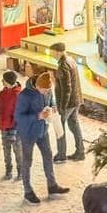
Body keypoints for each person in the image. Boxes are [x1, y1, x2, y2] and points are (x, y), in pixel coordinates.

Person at [15, 71, 69, 204]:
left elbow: (51, 100)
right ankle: (28, 191)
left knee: (48, 156)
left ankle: (52, 186)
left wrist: (53, 106)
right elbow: (18, 117)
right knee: (27, 161)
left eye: (48, 90)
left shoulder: (48, 91)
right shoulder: (24, 96)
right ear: (37, 86)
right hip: (27, 132)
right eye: (44, 90)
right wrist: (37, 116)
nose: (46, 93)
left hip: (42, 130)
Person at [52, 42, 85, 162]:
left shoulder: (63, 65)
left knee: (60, 128)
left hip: (67, 103)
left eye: (53, 52)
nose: (52, 54)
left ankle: (61, 154)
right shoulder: (71, 60)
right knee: (74, 126)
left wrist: (62, 107)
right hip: (76, 100)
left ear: (58, 52)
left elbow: (67, 88)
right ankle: (80, 152)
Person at [0, 68, 22, 180]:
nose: (2, 82)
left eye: (4, 80)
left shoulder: (18, 95)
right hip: (4, 126)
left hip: (14, 129)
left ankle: (21, 171)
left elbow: (20, 114)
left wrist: (15, 127)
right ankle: (8, 170)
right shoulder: (3, 92)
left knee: (17, 150)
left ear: (8, 81)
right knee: (6, 150)